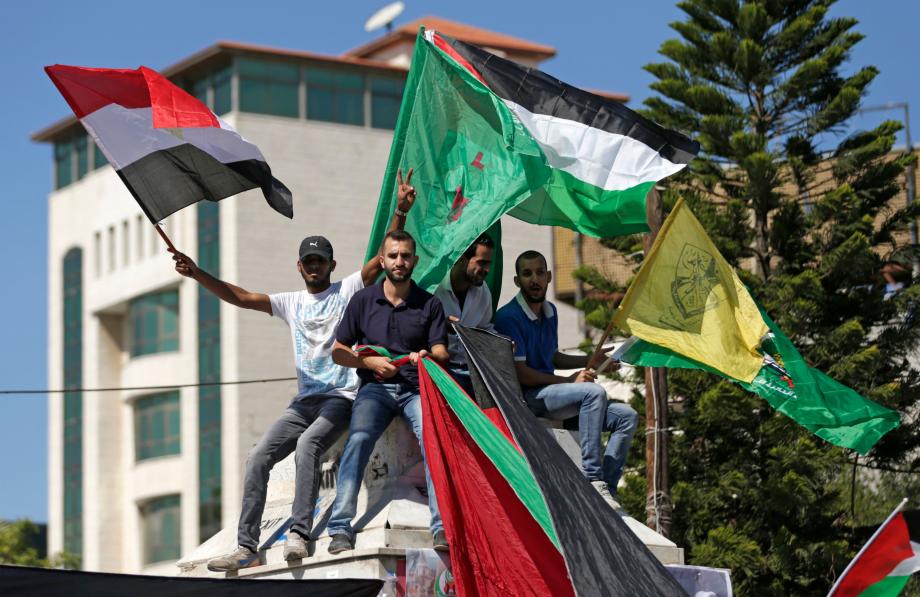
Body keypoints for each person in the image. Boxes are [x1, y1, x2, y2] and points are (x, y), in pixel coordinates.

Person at [176, 169, 418, 572]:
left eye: (320, 261)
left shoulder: (347, 290)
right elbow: (241, 297)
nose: (314, 267)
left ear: (331, 264)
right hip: (304, 401)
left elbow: (381, 261)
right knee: (258, 457)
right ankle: (246, 546)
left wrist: (401, 212)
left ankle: (299, 533)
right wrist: (197, 272)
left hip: (341, 397)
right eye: (308, 262)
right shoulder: (291, 303)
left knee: (308, 446)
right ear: (299, 266)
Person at [327, 229, 450, 554]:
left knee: (433, 440)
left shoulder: (430, 303)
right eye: (393, 255)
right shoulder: (363, 300)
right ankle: (339, 528)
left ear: (415, 261)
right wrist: (369, 362)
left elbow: (441, 352)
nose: (399, 261)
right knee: (358, 439)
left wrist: (428, 356)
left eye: (405, 256)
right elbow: (338, 351)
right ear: (382, 260)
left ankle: (441, 526)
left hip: (416, 389)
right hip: (375, 389)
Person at [493, 250, 638, 510]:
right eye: (527, 274)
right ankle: (592, 479)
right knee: (593, 393)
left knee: (626, 416)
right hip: (530, 398)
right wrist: (570, 382)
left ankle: (608, 488)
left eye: (540, 273)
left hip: (555, 397)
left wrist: (590, 360)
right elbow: (521, 373)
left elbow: (552, 356)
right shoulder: (508, 317)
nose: (534, 279)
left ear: (548, 276)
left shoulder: (550, 312)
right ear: (517, 281)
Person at [433, 235, 495, 395]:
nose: (487, 270)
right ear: (461, 258)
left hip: (474, 370)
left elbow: (485, 330)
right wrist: (441, 326)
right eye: (482, 263)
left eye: (488, 264)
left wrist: (501, 345)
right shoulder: (434, 288)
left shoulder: (483, 292)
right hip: (441, 370)